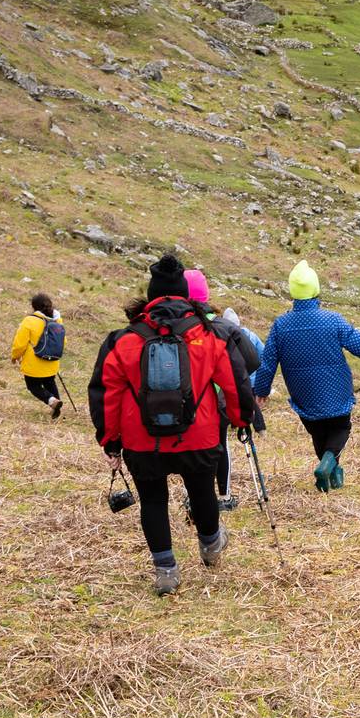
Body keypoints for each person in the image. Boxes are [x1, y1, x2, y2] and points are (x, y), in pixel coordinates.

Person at [89, 254, 253, 595]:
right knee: (201, 490)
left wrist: (110, 440)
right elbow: (236, 383)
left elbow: (107, 394)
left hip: (141, 440)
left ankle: (166, 570)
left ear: (151, 297)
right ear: (186, 296)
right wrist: (242, 420)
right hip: (200, 434)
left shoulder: (124, 340)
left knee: (152, 500)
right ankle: (210, 545)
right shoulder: (210, 334)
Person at [252, 260, 360, 493]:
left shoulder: (281, 325)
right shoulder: (332, 320)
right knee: (340, 429)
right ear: (316, 290)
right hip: (336, 389)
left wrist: (262, 390)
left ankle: (332, 475)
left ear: (293, 292)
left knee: (318, 432)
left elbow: (267, 363)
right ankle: (327, 464)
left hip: (303, 391)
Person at [185, 270, 264, 512]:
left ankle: (195, 498)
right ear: (206, 295)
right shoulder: (223, 327)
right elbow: (252, 361)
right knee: (220, 446)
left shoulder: (174, 328)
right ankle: (223, 496)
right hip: (219, 401)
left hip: (186, 403)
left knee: (191, 449)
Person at [9, 292, 65, 419]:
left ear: (34, 307)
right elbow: (63, 341)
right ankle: (56, 404)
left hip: (34, 364)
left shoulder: (29, 321)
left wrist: (15, 356)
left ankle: (52, 401)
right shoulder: (58, 320)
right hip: (52, 362)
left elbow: (20, 344)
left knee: (33, 386)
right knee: (49, 382)